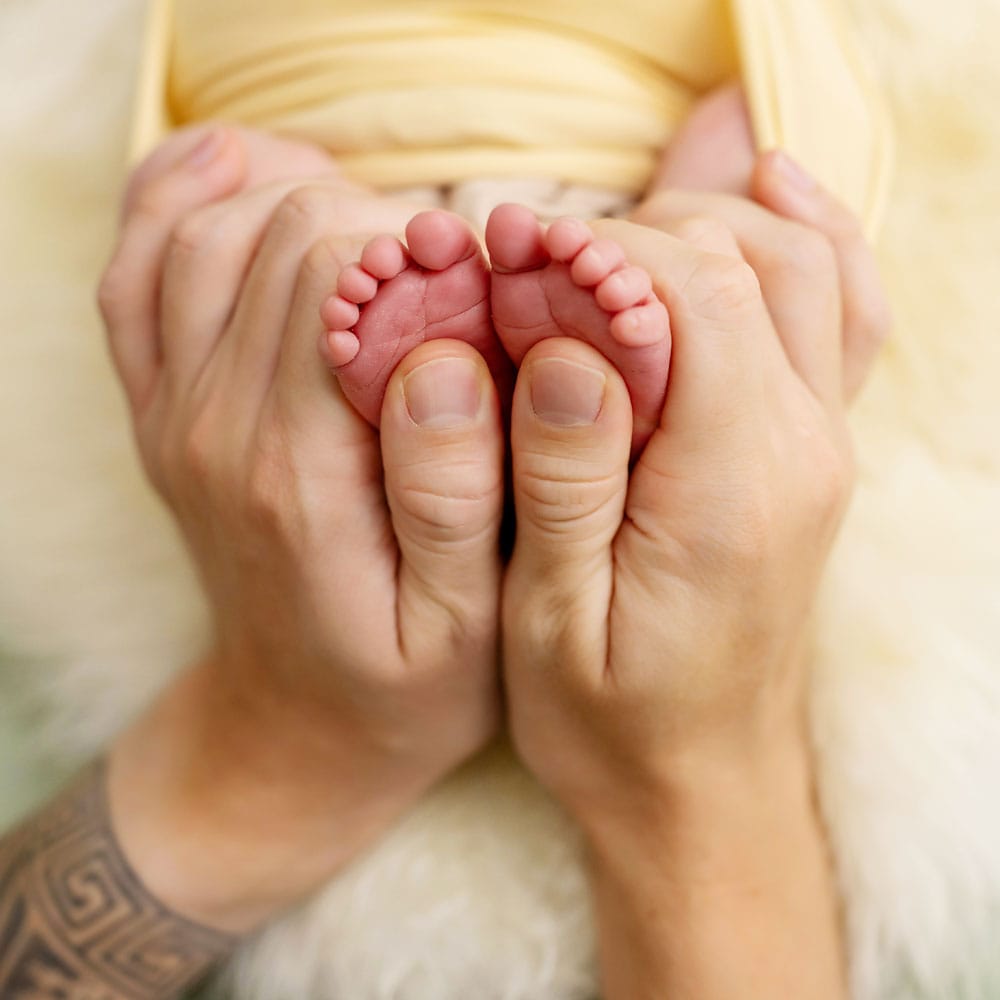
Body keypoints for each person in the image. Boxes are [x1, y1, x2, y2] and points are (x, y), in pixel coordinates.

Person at [0, 3, 891, 997]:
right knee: (248, 213)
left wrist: (269, 747)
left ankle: (650, 274)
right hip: (359, 107)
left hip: (440, 117)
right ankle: (662, 291)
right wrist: (697, 771)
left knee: (257, 213)